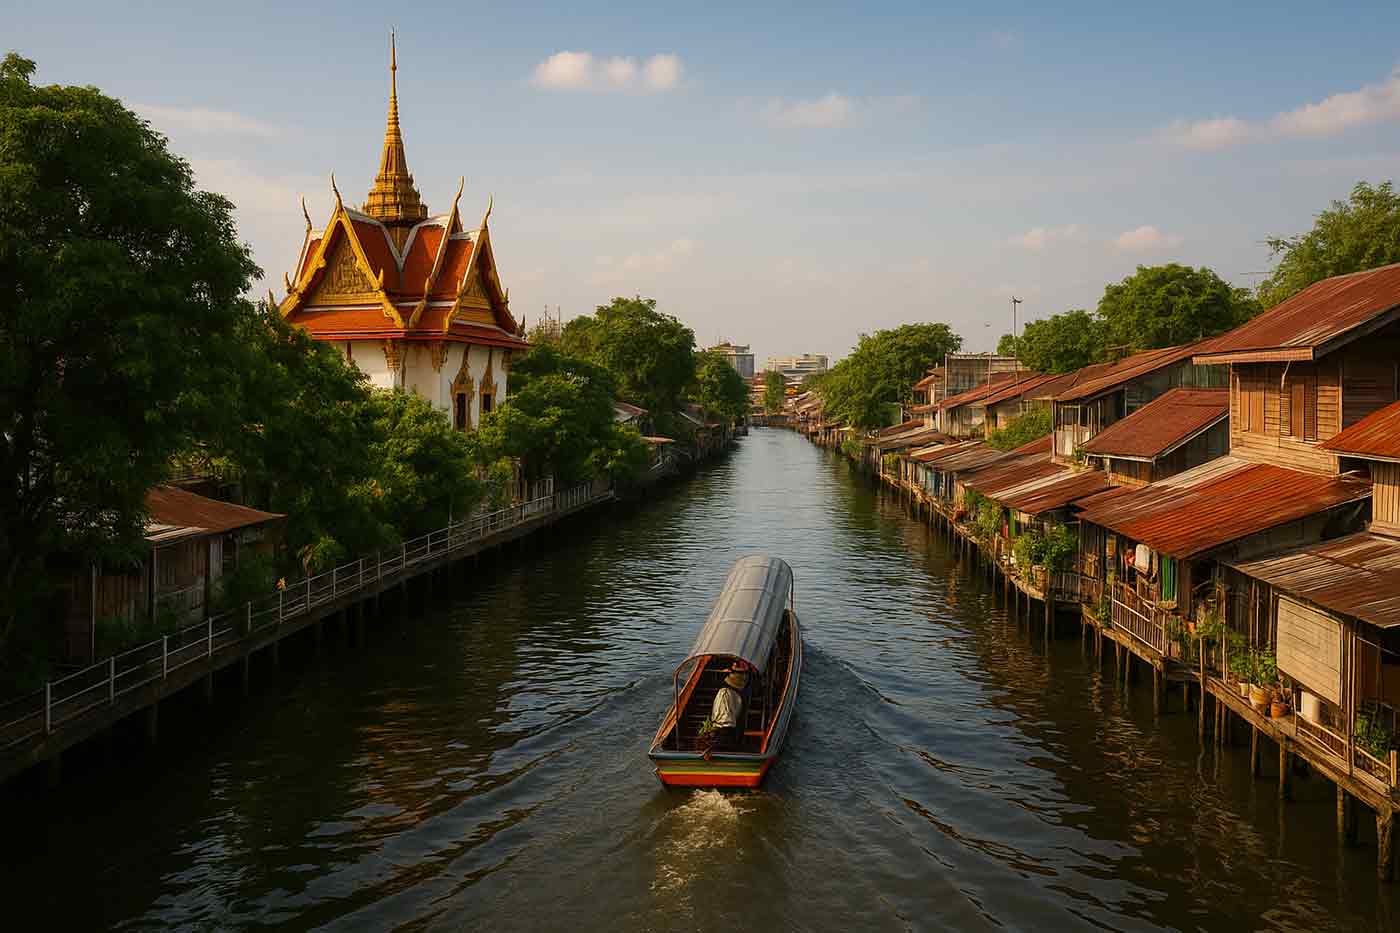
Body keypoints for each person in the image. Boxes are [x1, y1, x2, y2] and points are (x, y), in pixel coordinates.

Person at [710, 665, 749, 748]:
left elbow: (725, 722)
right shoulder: (729, 694)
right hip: (727, 734)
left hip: (726, 734)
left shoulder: (727, 694)